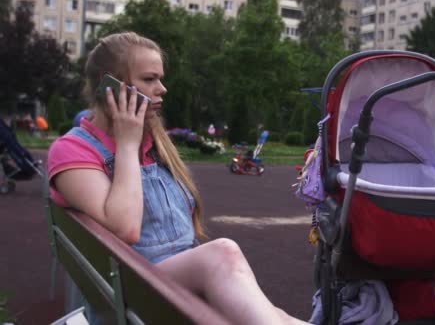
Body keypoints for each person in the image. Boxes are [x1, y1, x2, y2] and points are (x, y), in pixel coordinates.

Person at [47, 32, 308, 325]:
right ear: (110, 87)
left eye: (160, 78)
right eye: (149, 79)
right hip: (132, 295)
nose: (162, 89)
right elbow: (125, 228)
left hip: (174, 286)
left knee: (282, 318)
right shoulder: (72, 150)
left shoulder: (155, 144)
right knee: (222, 254)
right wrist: (127, 145)